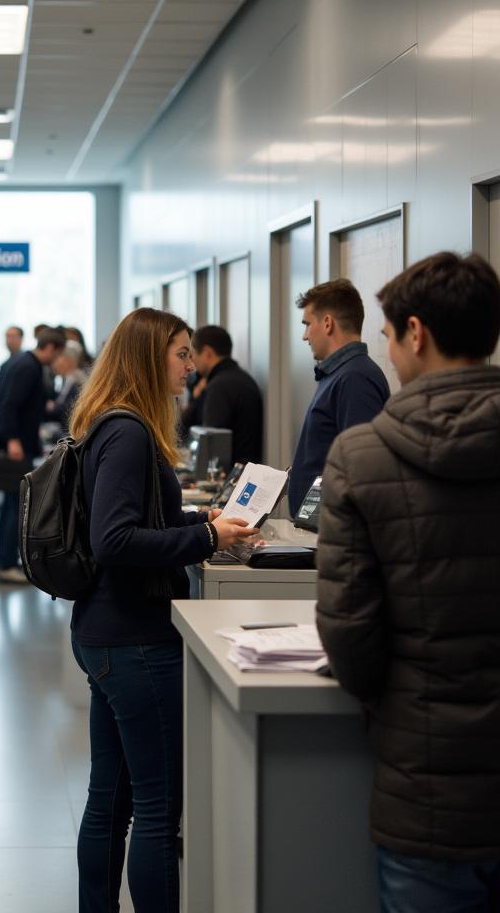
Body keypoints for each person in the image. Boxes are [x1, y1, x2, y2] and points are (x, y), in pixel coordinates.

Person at [315, 253, 500, 913]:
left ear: (415, 333)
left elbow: (350, 633)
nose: (386, 354)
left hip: (427, 793)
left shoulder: (362, 456)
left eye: (389, 337)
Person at [69, 307, 258, 913]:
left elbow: (134, 518)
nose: (189, 365)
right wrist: (207, 540)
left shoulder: (107, 423)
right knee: (156, 810)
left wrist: (200, 519)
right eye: (181, 354)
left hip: (106, 632)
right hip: (135, 640)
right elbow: (115, 540)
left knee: (112, 799)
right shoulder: (128, 434)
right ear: (153, 358)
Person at [289, 278, 390, 515]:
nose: (305, 336)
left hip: (336, 533)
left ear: (327, 323)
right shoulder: (336, 375)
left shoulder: (356, 378)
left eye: (307, 324)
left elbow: (362, 469)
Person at [0, 326, 66, 584]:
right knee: (14, 505)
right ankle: (5, 563)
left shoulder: (26, 363)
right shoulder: (28, 367)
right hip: (16, 445)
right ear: (50, 348)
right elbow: (9, 405)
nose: (56, 362)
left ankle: (5, 559)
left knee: (13, 505)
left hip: (19, 442)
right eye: (57, 355)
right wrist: (13, 440)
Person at [189, 325, 264, 466]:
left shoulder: (219, 387)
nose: (191, 363)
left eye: (193, 355)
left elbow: (211, 447)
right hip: (246, 472)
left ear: (207, 353)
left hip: (230, 479)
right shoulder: (242, 378)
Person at [49, 340, 88, 433]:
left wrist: (54, 407)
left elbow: (72, 408)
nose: (55, 363)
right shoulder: (66, 378)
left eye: (59, 358)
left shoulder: (79, 380)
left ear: (70, 361)